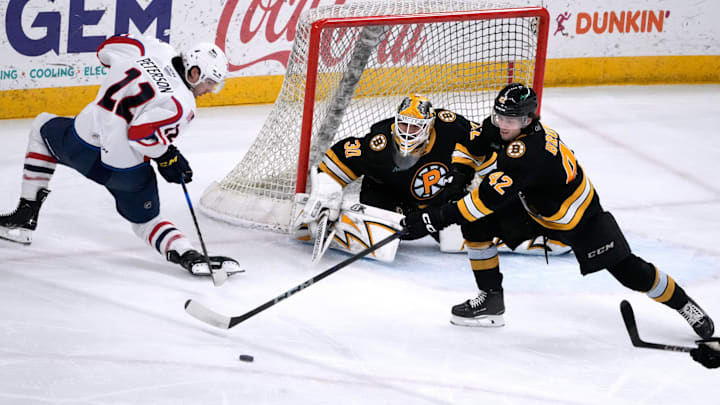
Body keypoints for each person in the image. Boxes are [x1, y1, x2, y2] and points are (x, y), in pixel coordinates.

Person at [401, 83, 715, 339]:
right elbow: (473, 143)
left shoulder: (529, 152)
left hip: (579, 218)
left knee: (630, 271)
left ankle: (684, 304)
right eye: (499, 116)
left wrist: (433, 218)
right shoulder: (503, 128)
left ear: (527, 120)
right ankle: (491, 300)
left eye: (510, 119)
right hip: (533, 208)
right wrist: (459, 175)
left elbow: (485, 201)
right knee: (476, 228)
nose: (502, 124)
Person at [0, 34, 239, 276]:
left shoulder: (152, 48)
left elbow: (105, 51)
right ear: (194, 72)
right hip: (125, 174)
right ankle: (186, 253)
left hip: (80, 146)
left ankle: (26, 213)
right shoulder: (182, 104)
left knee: (42, 126)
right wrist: (168, 157)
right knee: (146, 221)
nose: (209, 90)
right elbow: (141, 136)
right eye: (209, 82)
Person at [293, 94, 569, 261]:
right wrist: (327, 193)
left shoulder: (450, 127)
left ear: (430, 124)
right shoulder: (378, 143)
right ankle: (327, 225)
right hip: (391, 198)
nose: (407, 131)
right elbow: (335, 161)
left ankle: (539, 236)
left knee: (453, 239)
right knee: (383, 241)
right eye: (402, 124)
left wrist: (495, 184)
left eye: (415, 126)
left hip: (441, 202)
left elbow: (484, 146)